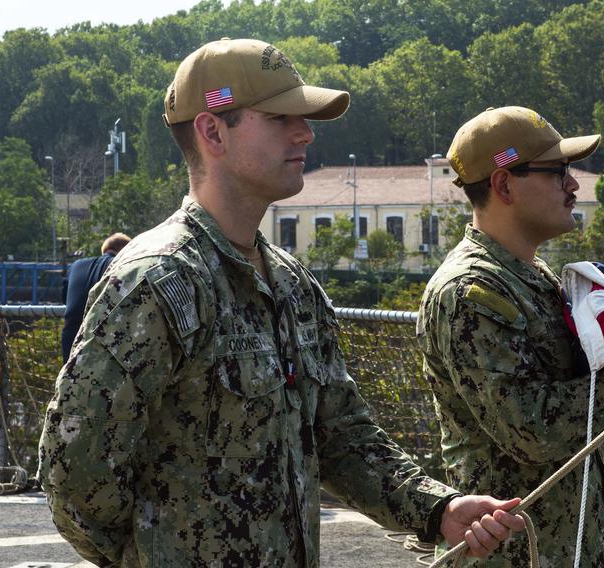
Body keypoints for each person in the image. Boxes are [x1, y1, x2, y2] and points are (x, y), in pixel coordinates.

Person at [37, 38, 524, 567]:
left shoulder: (293, 285)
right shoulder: (157, 281)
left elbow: (343, 438)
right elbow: (76, 472)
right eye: (279, 118)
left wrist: (440, 509)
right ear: (212, 131)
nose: (305, 132)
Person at [417, 106, 604, 566]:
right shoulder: (471, 293)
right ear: (503, 184)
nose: (573, 186)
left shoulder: (528, 275)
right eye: (558, 172)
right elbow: (532, 432)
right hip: (519, 554)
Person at [61, 232, 131, 362]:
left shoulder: (76, 265)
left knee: (69, 381)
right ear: (125, 251)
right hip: (101, 338)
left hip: (71, 335)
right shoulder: (123, 265)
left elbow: (65, 299)